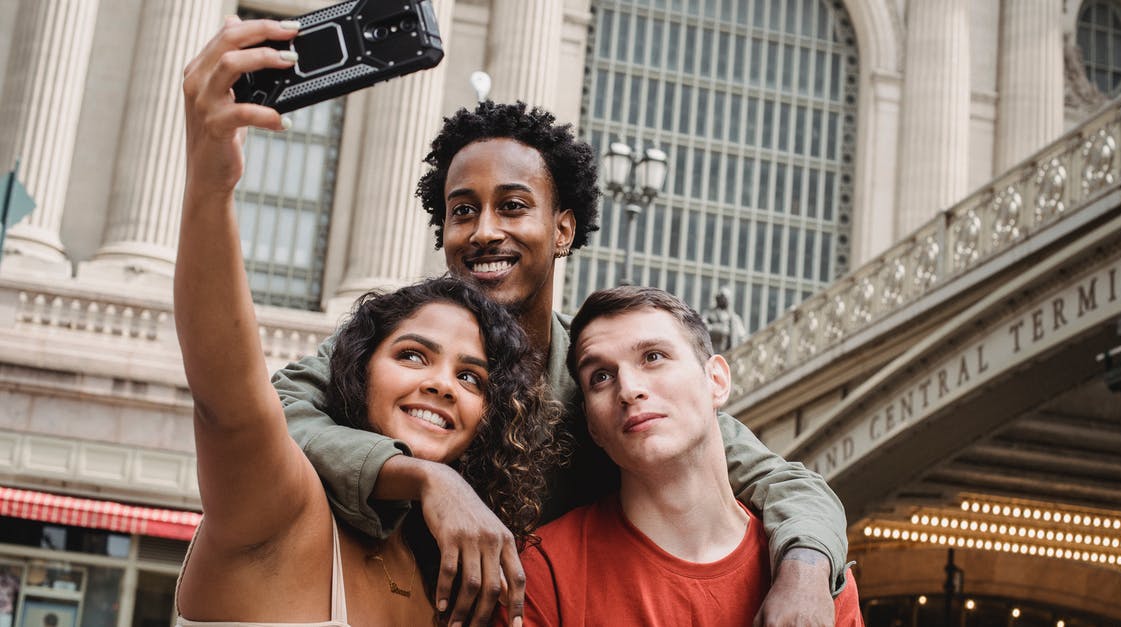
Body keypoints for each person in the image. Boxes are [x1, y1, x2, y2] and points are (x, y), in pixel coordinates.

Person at [276, 101, 850, 625]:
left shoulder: (606, 382)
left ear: (563, 229)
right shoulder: (392, 346)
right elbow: (271, 415)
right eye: (462, 211)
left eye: (513, 206)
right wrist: (425, 478)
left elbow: (785, 483)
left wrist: (803, 576)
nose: (484, 231)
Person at [174, 17, 561, 625]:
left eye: (472, 378)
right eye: (413, 355)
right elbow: (228, 402)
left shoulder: (439, 572)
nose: (441, 383)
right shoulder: (284, 508)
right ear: (355, 371)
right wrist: (210, 185)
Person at [506, 286, 863, 626]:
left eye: (653, 357)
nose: (629, 390)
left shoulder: (814, 585)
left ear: (717, 381)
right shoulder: (542, 575)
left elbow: (795, 486)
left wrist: (806, 575)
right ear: (591, 424)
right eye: (600, 376)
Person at [703, 285, 748, 352]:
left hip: (728, 352)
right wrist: (718, 329)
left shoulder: (734, 318)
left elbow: (742, 336)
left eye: (727, 298)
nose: (725, 300)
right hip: (713, 350)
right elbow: (702, 328)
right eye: (723, 297)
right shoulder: (709, 313)